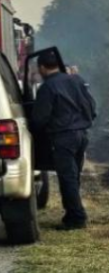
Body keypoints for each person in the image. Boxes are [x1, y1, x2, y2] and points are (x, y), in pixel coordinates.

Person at [30, 51, 97, 230]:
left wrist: (35, 130)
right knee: (73, 177)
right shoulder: (77, 80)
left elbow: (40, 118)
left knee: (67, 177)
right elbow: (91, 106)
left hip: (62, 137)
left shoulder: (48, 88)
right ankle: (73, 213)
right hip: (82, 135)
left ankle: (76, 218)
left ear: (42, 68)